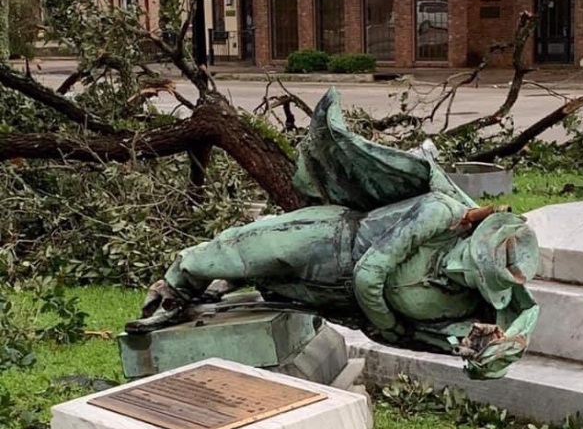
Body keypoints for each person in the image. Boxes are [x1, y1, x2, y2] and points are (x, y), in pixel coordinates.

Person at [128, 89, 539, 380]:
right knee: (241, 250)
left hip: (337, 300)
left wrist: (490, 352)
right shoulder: (442, 213)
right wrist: (388, 324)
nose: (459, 270)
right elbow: (370, 273)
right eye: (469, 260)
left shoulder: (465, 308)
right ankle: (174, 287)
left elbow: (479, 352)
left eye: (474, 277)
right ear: (473, 233)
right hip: (330, 242)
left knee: (268, 287)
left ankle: (219, 288)